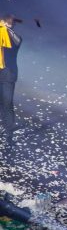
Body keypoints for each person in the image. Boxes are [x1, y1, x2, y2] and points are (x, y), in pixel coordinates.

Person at [0, 14, 22, 145]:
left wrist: (7, 29)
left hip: (8, 75)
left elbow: (17, 42)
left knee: (7, 103)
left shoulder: (15, 38)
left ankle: (9, 131)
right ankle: (5, 127)